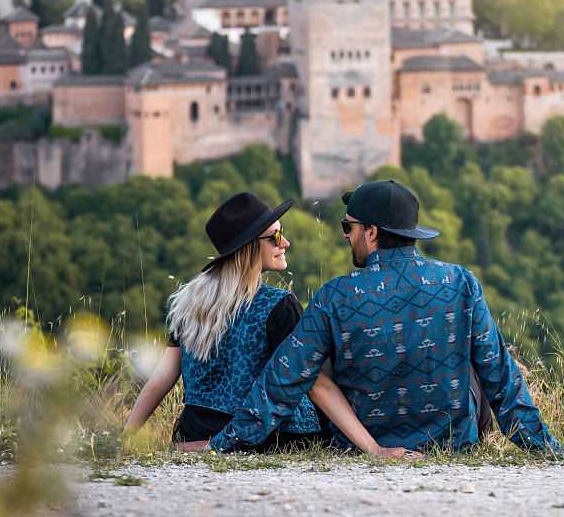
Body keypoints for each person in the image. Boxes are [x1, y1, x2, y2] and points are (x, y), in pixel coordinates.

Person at [208, 180, 564, 455]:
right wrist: (547, 449)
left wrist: (223, 443)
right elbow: (500, 376)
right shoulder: (461, 282)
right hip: (452, 444)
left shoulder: (335, 295)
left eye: (348, 228)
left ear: (372, 232)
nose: (346, 236)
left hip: (364, 441)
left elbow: (282, 380)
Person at [125, 192, 411, 457]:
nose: (285, 243)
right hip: (271, 438)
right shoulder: (278, 305)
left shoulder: (188, 300)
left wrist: (125, 439)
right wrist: (374, 449)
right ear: (249, 248)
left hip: (194, 433)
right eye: (275, 237)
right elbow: (316, 385)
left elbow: (161, 379)